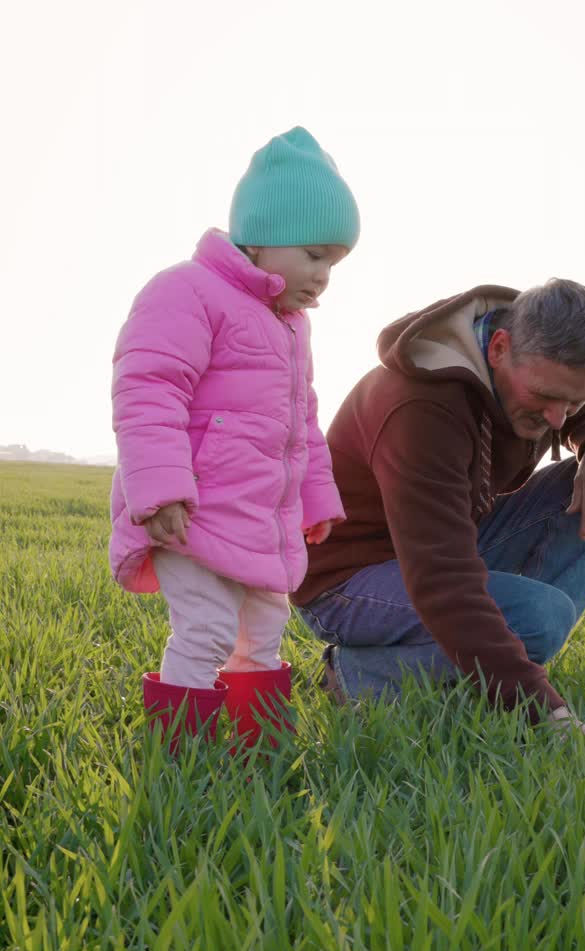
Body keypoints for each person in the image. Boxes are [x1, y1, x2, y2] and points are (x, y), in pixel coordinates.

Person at [109, 126, 360, 749]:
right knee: (206, 631)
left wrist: (315, 500)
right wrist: (161, 489)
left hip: (256, 517)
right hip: (190, 514)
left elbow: (303, 422)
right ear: (264, 234)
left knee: (264, 629)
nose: (324, 274)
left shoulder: (291, 327)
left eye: (334, 261)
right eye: (315, 253)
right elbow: (148, 388)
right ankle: (182, 759)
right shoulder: (187, 292)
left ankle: (262, 750)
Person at [292, 278, 585, 732]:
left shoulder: (540, 365)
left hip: (444, 545)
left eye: (574, 402)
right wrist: (546, 715)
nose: (557, 418)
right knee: (537, 617)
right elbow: (443, 578)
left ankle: (500, 662)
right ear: (500, 349)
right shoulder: (419, 409)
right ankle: (357, 677)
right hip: (345, 580)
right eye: (546, 398)